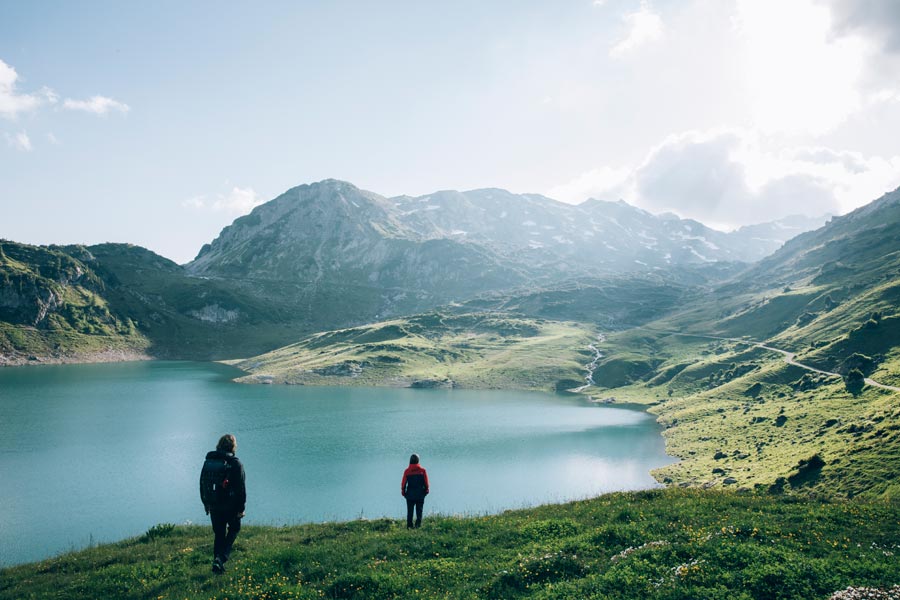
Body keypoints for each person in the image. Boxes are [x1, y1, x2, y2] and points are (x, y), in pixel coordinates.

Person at [200, 434, 246, 574]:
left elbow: (202, 483)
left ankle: (217, 566)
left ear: (219, 445)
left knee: (219, 534)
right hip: (230, 505)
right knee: (234, 529)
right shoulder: (235, 463)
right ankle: (221, 558)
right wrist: (241, 508)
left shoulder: (209, 461)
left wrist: (205, 502)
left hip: (214, 504)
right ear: (233, 447)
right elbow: (241, 489)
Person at [401, 453, 429, 529]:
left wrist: (403, 492)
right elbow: (426, 483)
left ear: (410, 460)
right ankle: (418, 526)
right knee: (419, 511)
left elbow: (403, 483)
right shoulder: (423, 471)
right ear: (418, 461)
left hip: (410, 494)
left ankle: (409, 526)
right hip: (420, 494)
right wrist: (426, 490)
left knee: (410, 511)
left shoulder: (407, 471)